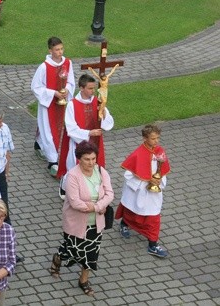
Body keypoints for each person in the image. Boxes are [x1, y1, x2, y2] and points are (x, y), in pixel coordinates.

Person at [49, 141, 114, 297]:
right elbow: (75, 201)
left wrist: (98, 206)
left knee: (91, 253)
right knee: (72, 250)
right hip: (76, 223)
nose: (91, 162)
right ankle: (58, 258)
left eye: (93, 158)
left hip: (96, 223)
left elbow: (109, 193)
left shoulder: (101, 171)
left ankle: (83, 281)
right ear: (79, 159)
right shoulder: (72, 176)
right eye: (87, 159)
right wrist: (97, 206)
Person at [116, 124, 171, 258]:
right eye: (153, 138)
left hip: (153, 193)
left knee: (154, 218)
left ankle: (153, 245)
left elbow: (162, 170)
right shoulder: (137, 154)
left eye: (158, 138)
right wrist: (146, 180)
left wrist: (159, 180)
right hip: (139, 191)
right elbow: (129, 175)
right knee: (131, 211)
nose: (156, 141)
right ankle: (124, 223)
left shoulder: (160, 151)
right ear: (144, 138)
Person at [56, 74, 114, 199]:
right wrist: (88, 133)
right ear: (81, 88)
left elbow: (108, 123)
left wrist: (103, 113)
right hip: (78, 143)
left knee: (94, 165)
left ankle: (90, 189)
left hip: (95, 142)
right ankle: (65, 186)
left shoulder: (97, 102)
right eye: (90, 88)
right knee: (74, 166)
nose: (93, 91)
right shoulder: (72, 105)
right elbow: (70, 128)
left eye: (94, 88)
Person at [31, 36, 75, 177]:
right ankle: (53, 160)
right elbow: (36, 87)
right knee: (48, 129)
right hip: (48, 103)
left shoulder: (68, 63)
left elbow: (71, 80)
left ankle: (39, 144)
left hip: (62, 101)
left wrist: (67, 90)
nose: (60, 52)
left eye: (61, 49)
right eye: (57, 49)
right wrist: (53, 93)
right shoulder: (44, 67)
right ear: (50, 50)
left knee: (59, 127)